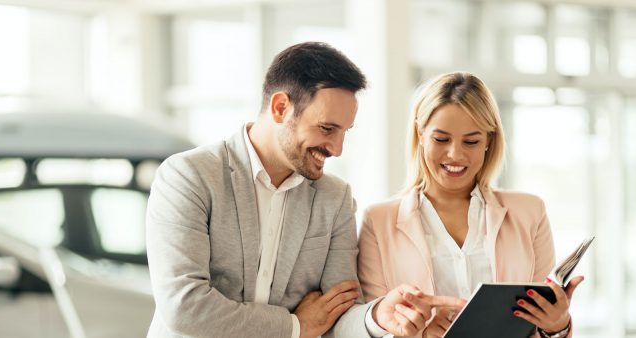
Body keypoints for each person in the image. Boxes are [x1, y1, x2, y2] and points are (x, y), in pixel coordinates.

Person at [145, 42, 463, 338]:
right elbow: (184, 306)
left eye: (344, 132)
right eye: (327, 129)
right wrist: (296, 325)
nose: (337, 148)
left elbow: (338, 315)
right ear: (281, 108)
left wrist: (378, 317)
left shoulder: (334, 198)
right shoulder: (188, 177)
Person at [357, 72, 584, 338]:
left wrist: (557, 327)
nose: (455, 154)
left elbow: (539, 324)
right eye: (441, 139)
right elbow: (370, 328)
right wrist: (418, 334)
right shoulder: (378, 221)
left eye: (471, 141)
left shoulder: (529, 213)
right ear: (420, 133)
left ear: (489, 140)